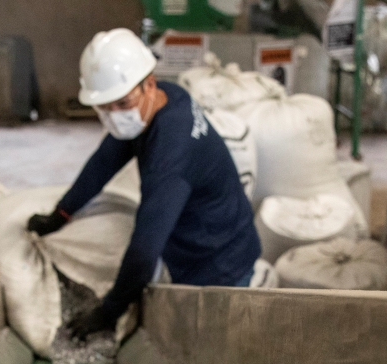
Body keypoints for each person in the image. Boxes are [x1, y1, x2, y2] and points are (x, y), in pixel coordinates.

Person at [28, 28, 261, 341]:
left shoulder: (171, 155)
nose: (114, 116)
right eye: (104, 108)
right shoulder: (163, 99)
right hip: (203, 235)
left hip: (220, 261)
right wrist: (61, 214)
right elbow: (105, 160)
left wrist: (109, 311)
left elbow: (144, 250)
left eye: (122, 104)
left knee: (208, 342)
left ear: (148, 84)